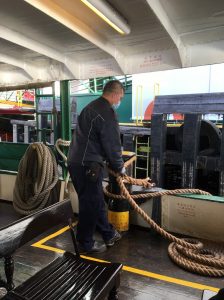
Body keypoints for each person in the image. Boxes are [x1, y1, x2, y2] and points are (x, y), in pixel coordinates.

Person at [68, 80, 125, 254]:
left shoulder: (90, 107)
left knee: (95, 200)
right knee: (90, 204)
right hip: (89, 166)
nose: (119, 101)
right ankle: (85, 244)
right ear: (114, 94)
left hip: (75, 162)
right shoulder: (107, 112)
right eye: (120, 97)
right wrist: (119, 167)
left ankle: (108, 234)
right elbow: (112, 143)